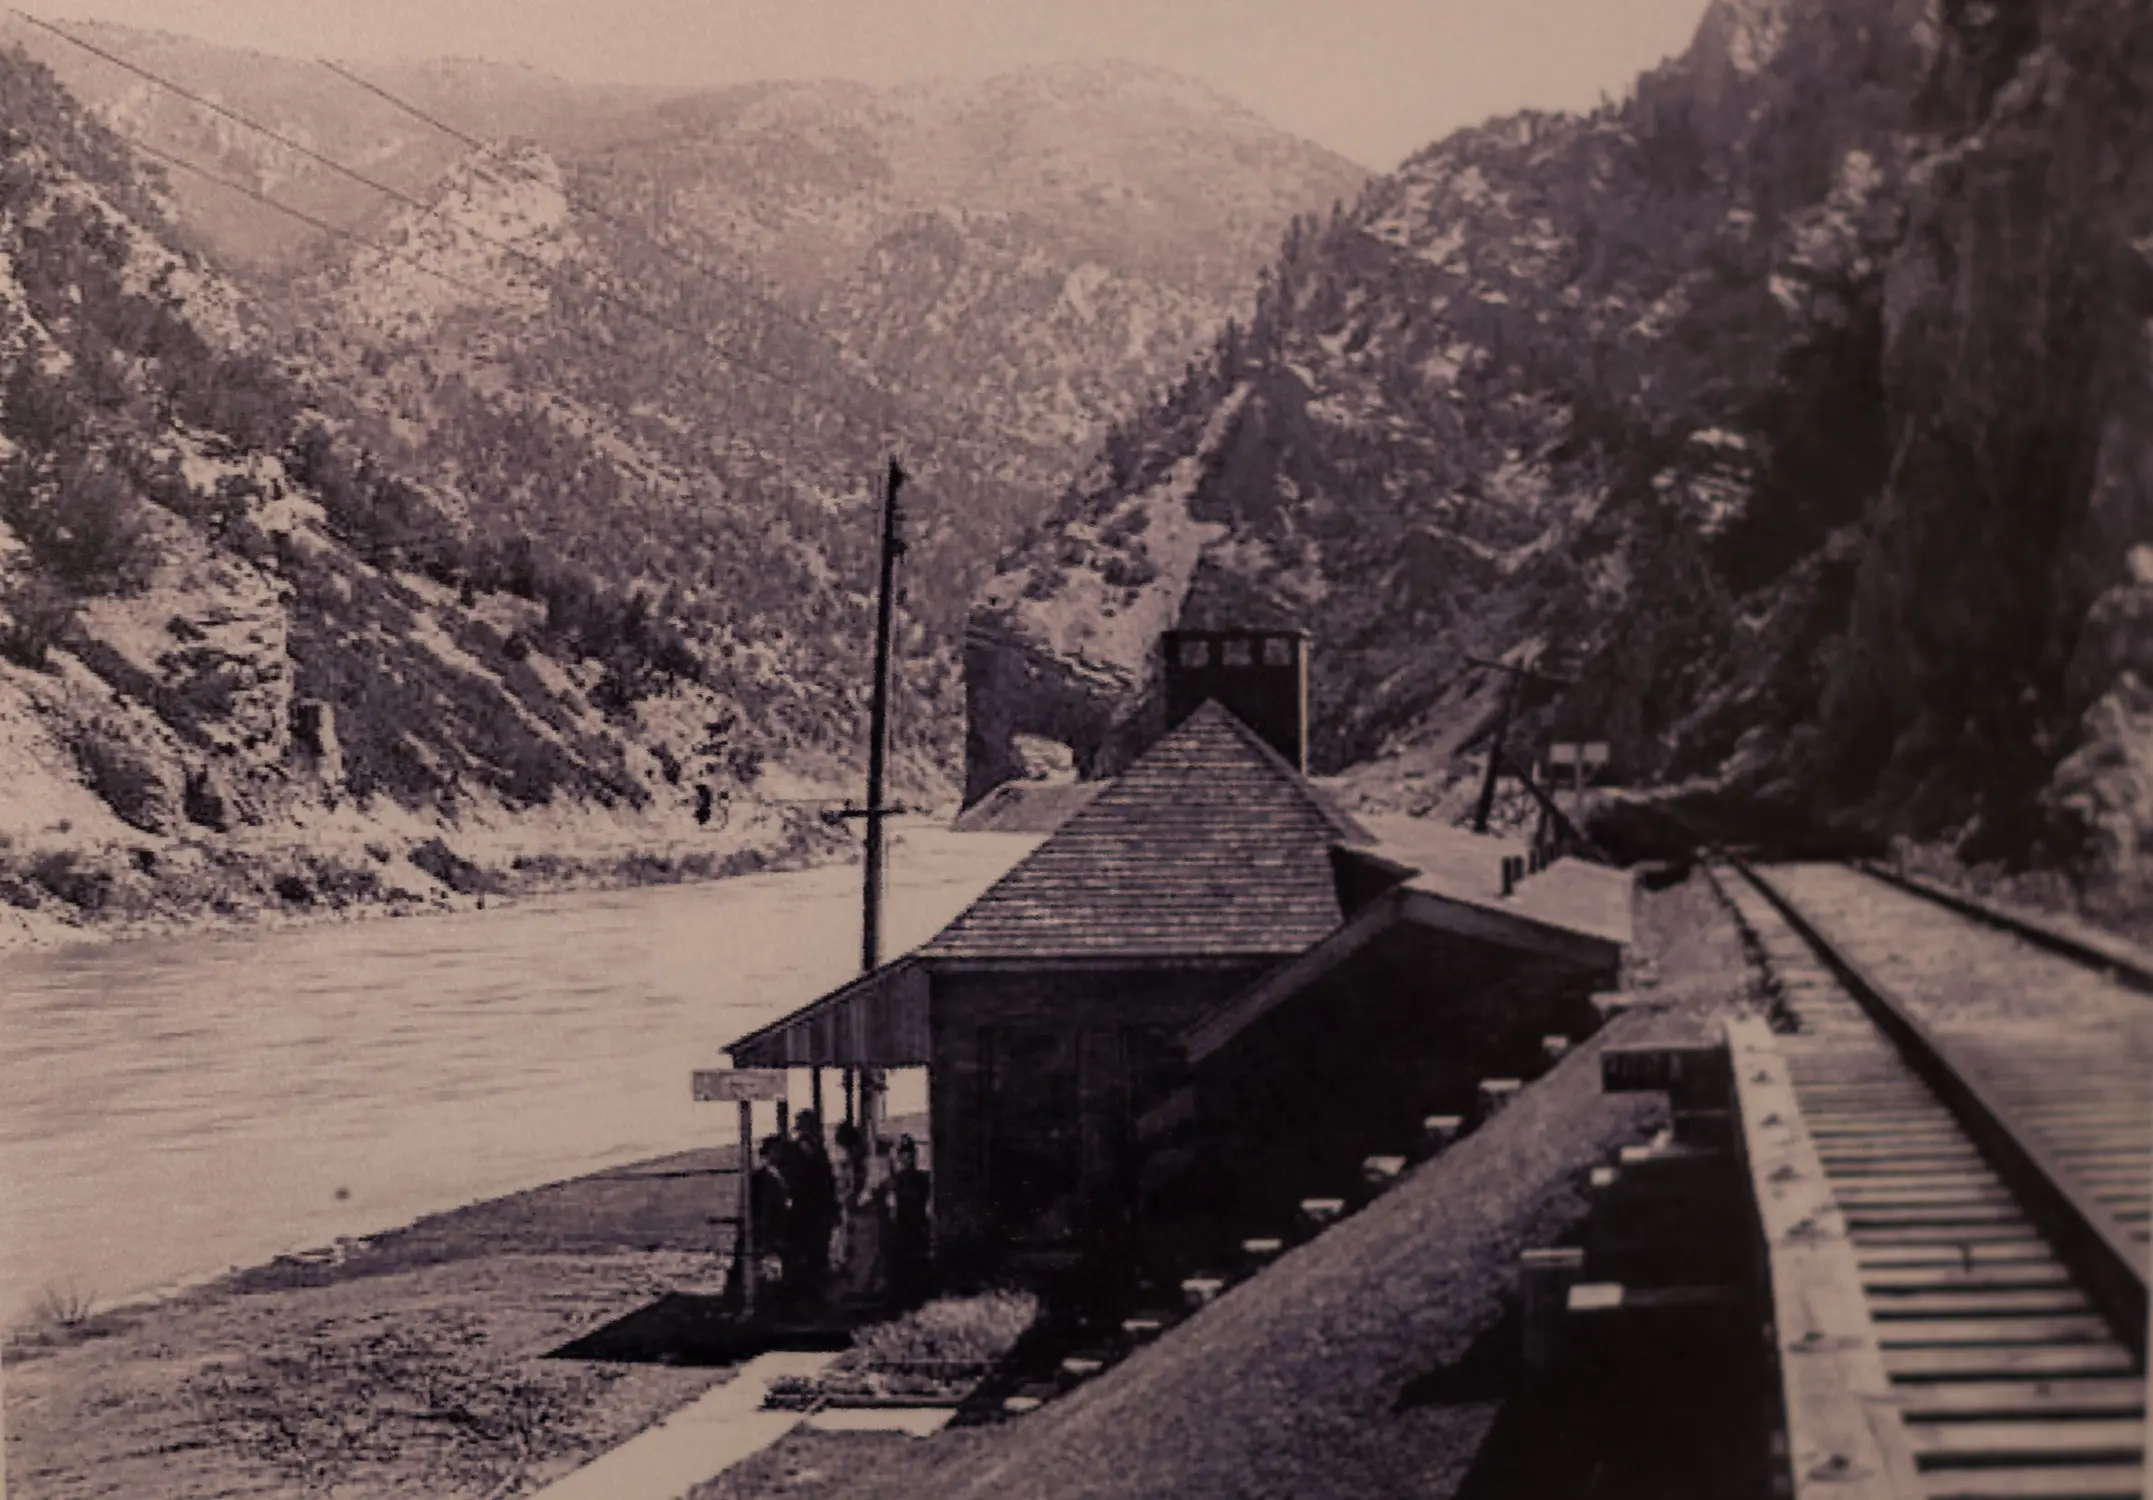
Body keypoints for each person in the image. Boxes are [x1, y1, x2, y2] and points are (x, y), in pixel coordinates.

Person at [781, 1109, 839, 1309]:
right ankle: (806, 1296)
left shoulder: (814, 1149)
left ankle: (812, 1296)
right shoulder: (805, 1150)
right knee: (810, 1254)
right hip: (808, 1210)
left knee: (814, 1254)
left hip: (813, 1210)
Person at [883, 1134, 932, 1308]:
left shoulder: (919, 1179)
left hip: (914, 1224)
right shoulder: (897, 1180)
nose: (907, 1157)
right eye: (903, 1153)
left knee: (914, 1262)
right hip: (903, 1225)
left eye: (909, 1153)